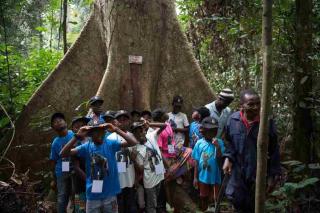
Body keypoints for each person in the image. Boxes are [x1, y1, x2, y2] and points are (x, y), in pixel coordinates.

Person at [222, 89, 281, 212]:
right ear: (241, 106)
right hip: (238, 170)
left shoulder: (267, 123)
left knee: (253, 203)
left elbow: (274, 149)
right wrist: (228, 157)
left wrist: (272, 174)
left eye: (258, 104)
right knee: (236, 198)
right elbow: (229, 142)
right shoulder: (233, 120)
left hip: (258, 172)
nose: (256, 107)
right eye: (251, 104)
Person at [60, 122, 138, 213]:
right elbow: (63, 154)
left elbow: (133, 142)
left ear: (104, 132)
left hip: (110, 193)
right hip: (93, 195)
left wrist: (116, 129)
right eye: (95, 132)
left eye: (101, 131)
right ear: (90, 135)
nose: (99, 134)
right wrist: (76, 136)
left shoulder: (111, 144)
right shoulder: (86, 147)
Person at [131, 122, 166, 213]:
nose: (139, 134)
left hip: (160, 175)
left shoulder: (151, 136)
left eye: (141, 130)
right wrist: (134, 160)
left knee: (157, 201)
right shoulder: (136, 148)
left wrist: (149, 124)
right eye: (136, 132)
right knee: (151, 205)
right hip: (150, 180)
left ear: (144, 131)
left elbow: (165, 125)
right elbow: (141, 169)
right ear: (134, 135)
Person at [192, 117, 225, 211]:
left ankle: (215, 209)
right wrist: (195, 177)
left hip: (216, 176)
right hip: (203, 176)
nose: (213, 133)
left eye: (215, 130)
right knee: (203, 196)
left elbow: (220, 158)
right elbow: (196, 161)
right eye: (210, 130)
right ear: (203, 131)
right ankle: (204, 208)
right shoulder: (199, 143)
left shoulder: (220, 142)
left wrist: (217, 147)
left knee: (215, 197)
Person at [109, 110, 137, 213]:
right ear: (115, 122)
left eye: (125, 120)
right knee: (120, 205)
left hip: (130, 176)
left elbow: (135, 156)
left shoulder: (131, 135)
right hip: (117, 179)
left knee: (131, 204)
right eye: (119, 120)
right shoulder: (110, 138)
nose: (122, 122)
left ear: (129, 121)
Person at [49, 112, 74, 213]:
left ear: (66, 122)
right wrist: (54, 179)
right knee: (62, 196)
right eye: (55, 122)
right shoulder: (55, 142)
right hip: (61, 172)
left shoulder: (74, 134)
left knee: (77, 194)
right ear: (53, 127)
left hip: (76, 169)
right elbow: (53, 161)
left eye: (60, 120)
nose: (58, 122)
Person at [70, 116, 90, 213]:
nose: (81, 129)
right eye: (77, 127)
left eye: (83, 126)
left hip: (93, 181)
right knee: (80, 208)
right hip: (80, 183)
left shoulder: (92, 142)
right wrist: (88, 180)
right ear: (73, 130)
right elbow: (76, 167)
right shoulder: (74, 145)